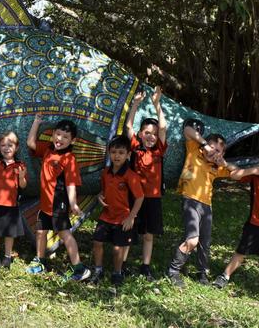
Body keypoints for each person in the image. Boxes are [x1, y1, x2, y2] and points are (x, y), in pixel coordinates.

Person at [167, 119, 237, 287]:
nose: (214, 152)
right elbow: (188, 129)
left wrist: (223, 162)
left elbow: (236, 172)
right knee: (192, 240)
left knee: (204, 242)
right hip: (190, 200)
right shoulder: (194, 150)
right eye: (213, 147)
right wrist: (205, 144)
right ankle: (173, 270)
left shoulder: (217, 167)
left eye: (219, 151)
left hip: (207, 207)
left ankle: (202, 272)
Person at [213, 143, 259, 302]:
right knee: (241, 252)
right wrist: (254, 170)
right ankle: (225, 276)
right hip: (255, 223)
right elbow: (234, 175)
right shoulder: (256, 174)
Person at [25, 114, 90, 281]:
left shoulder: (69, 159)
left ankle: (79, 268)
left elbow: (71, 184)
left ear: (72, 141)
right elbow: (30, 144)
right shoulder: (47, 149)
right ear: (53, 134)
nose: (60, 139)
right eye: (58, 134)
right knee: (40, 232)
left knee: (64, 234)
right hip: (45, 203)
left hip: (58, 203)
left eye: (65, 137)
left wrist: (73, 204)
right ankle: (40, 261)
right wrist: (36, 123)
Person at [123, 86, 167, 280]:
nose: (151, 136)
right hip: (134, 197)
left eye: (154, 134)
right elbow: (128, 127)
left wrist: (157, 104)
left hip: (153, 198)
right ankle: (122, 264)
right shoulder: (135, 148)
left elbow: (164, 128)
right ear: (141, 134)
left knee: (149, 235)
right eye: (147, 132)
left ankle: (145, 266)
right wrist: (135, 104)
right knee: (129, 232)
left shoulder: (159, 151)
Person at [89, 136, 144, 286]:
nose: (117, 156)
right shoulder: (106, 172)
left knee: (117, 248)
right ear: (109, 153)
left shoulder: (131, 176)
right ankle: (98, 270)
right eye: (113, 152)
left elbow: (140, 198)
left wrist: (131, 217)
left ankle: (117, 272)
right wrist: (100, 195)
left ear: (128, 155)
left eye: (121, 152)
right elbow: (104, 191)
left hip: (123, 218)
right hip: (106, 216)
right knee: (97, 241)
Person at [0, 131, 27, 270]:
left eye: (10, 145)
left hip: (12, 205)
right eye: (2, 145)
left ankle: (8, 256)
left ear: (16, 148)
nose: (6, 148)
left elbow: (23, 185)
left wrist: (21, 177)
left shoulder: (20, 165)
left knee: (10, 233)